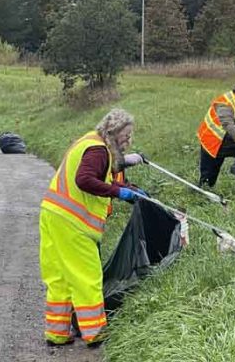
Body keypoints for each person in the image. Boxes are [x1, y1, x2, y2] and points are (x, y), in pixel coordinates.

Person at [39, 108, 146, 347]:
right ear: (113, 132)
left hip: (52, 215)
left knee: (60, 278)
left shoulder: (92, 143)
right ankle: (95, 333)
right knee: (87, 277)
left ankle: (57, 333)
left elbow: (105, 176)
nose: (128, 141)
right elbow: (85, 179)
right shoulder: (98, 151)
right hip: (72, 223)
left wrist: (130, 189)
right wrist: (119, 192)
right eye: (125, 136)